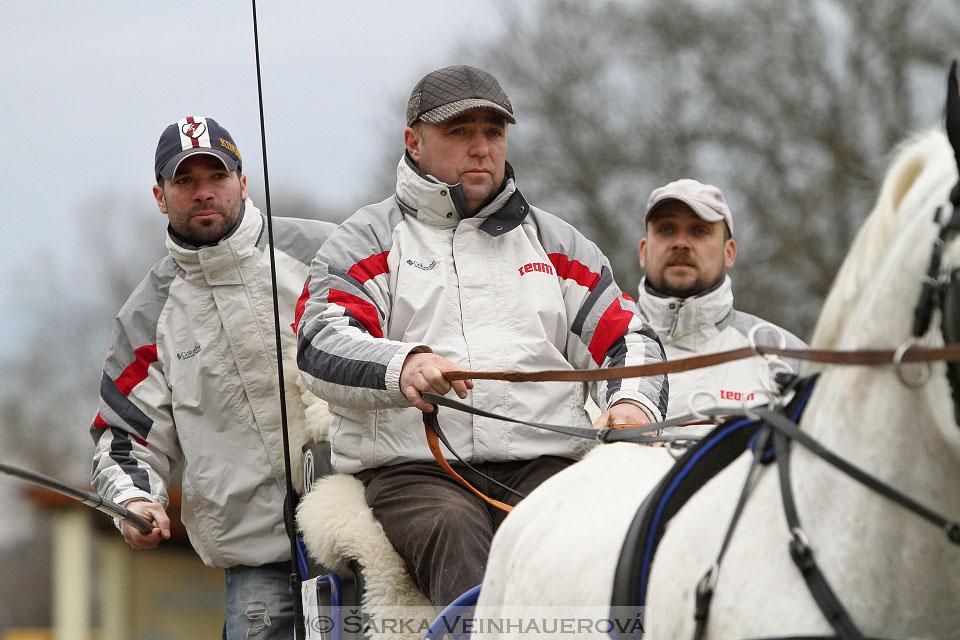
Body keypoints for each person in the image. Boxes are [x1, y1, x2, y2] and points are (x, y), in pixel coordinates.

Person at [296, 65, 668, 606]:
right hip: (417, 475)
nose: (480, 148)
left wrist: (632, 403)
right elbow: (320, 341)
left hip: (547, 464)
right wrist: (405, 365)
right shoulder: (366, 238)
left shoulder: (560, 244)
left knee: (594, 547)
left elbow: (630, 337)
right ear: (414, 143)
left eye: (493, 132)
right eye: (459, 131)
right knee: (454, 533)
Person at [90, 116, 335, 639]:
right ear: (160, 196)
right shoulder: (144, 316)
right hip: (254, 559)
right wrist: (136, 500)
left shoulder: (327, 254)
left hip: (358, 527)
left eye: (216, 177)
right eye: (185, 181)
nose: (204, 193)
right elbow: (125, 439)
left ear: (242, 183)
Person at [636, 178, 807, 433]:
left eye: (699, 231)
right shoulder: (597, 353)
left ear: (729, 253)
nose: (680, 243)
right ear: (643, 251)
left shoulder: (786, 357)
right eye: (666, 230)